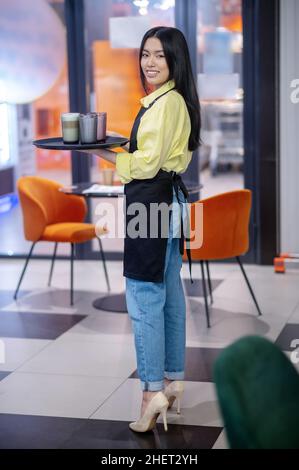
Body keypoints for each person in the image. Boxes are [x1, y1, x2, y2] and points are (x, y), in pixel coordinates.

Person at [86, 26, 201, 432]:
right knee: (168, 294)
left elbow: (147, 165)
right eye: (145, 54)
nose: (150, 63)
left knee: (142, 297)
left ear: (175, 62)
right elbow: (159, 157)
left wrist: (107, 154)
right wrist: (121, 150)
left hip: (151, 204)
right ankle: (171, 382)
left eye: (160, 56)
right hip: (169, 205)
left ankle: (150, 392)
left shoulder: (164, 104)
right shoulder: (175, 101)